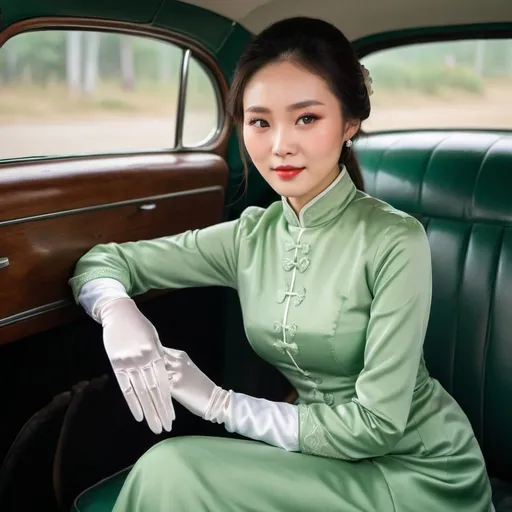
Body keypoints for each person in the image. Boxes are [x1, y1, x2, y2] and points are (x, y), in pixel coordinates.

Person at [69, 16, 495, 512]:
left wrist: (219, 403)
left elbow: (376, 427)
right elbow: (102, 262)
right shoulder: (252, 236)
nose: (280, 146)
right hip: (319, 457)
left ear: (350, 123)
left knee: (172, 467)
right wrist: (117, 311)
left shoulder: (396, 240)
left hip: (414, 472)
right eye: (260, 121)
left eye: (307, 118)